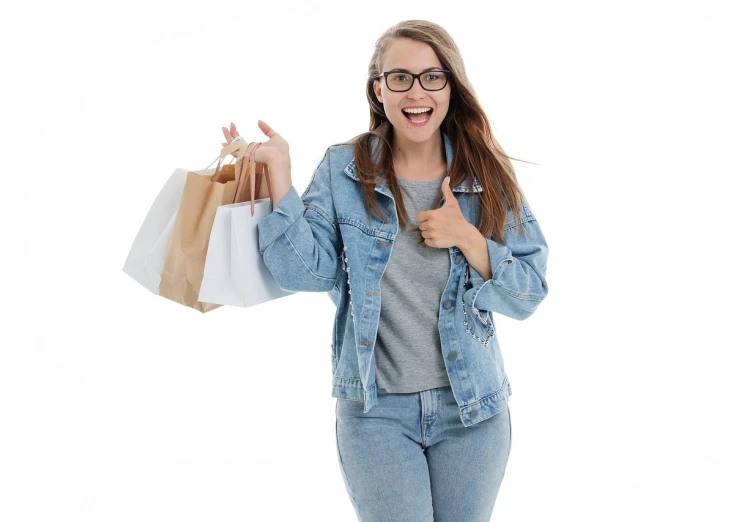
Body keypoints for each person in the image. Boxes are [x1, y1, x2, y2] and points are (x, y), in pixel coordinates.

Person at [221, 19, 549, 522]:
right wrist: (279, 179)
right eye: (400, 77)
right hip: (376, 414)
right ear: (379, 89)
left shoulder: (485, 174)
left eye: (431, 77)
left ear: (450, 86)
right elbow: (303, 273)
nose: (416, 92)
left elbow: (528, 292)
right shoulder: (344, 168)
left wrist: (467, 237)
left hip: (473, 411)